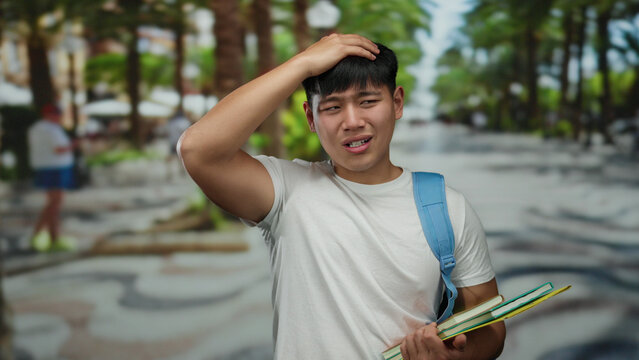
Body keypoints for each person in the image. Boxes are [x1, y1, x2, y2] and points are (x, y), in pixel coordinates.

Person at [179, 34, 505, 359]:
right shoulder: (287, 191)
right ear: (311, 117)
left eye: (367, 102)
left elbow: (489, 326)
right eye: (333, 107)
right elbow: (198, 150)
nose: (352, 122)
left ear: (397, 103)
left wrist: (451, 358)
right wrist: (302, 63)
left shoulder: (447, 206)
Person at [28, 104, 77, 252]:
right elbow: (59, 149)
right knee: (55, 203)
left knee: (53, 203)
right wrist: (74, 144)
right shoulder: (51, 129)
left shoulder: (36, 128)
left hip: (46, 167)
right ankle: (48, 236)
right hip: (55, 168)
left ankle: (49, 235)